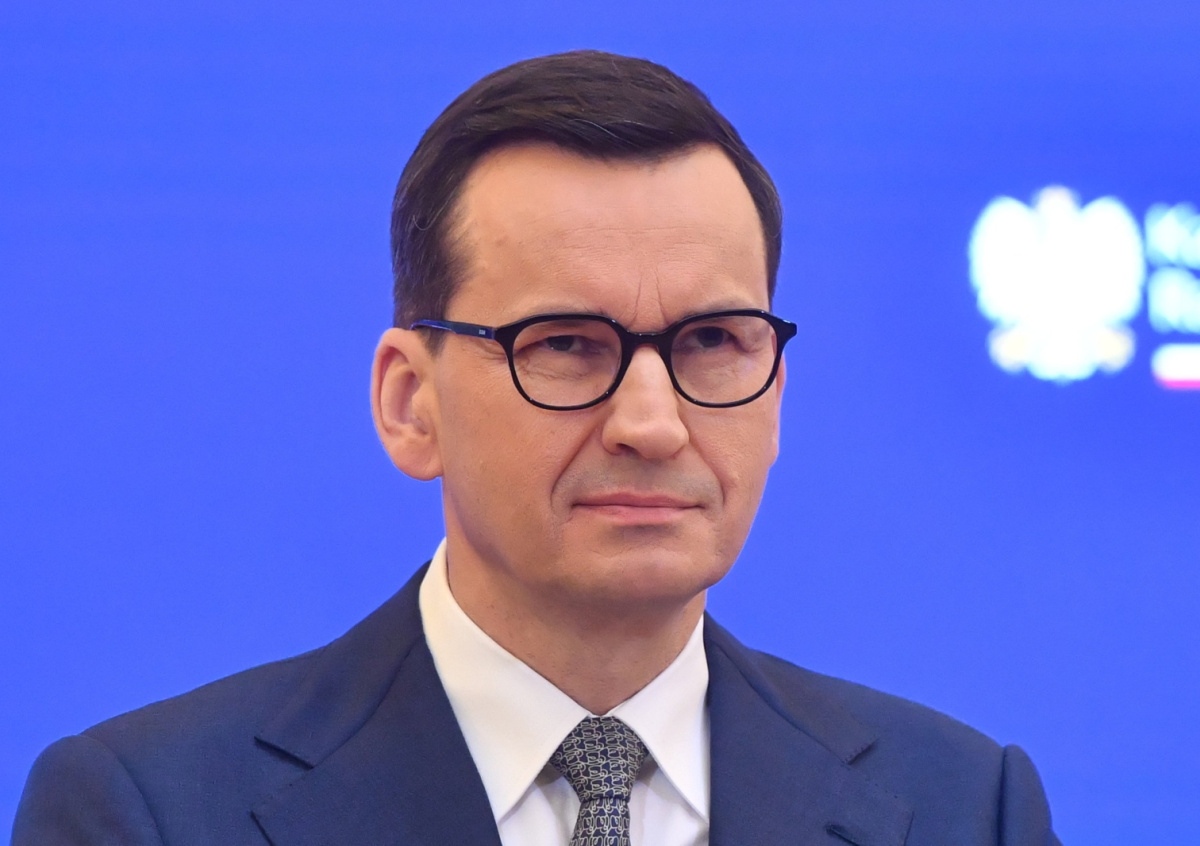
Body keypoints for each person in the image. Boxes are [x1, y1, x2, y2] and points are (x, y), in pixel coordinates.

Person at [13, 50, 1060, 846]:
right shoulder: (151, 812)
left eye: (711, 342)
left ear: (776, 390)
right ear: (410, 403)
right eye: (564, 345)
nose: (652, 423)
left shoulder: (963, 808)